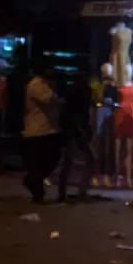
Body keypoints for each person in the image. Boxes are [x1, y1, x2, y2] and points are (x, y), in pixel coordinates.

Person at [22, 59, 62, 203]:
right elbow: (47, 99)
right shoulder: (35, 85)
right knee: (40, 161)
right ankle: (36, 189)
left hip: (49, 129)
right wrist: (53, 90)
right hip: (37, 131)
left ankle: (33, 182)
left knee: (53, 158)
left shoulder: (45, 84)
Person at [59, 72, 98, 201]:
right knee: (87, 159)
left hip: (73, 130)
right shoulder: (82, 94)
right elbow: (81, 114)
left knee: (69, 162)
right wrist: (83, 129)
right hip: (76, 131)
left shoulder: (72, 93)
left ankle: (64, 192)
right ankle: (79, 192)